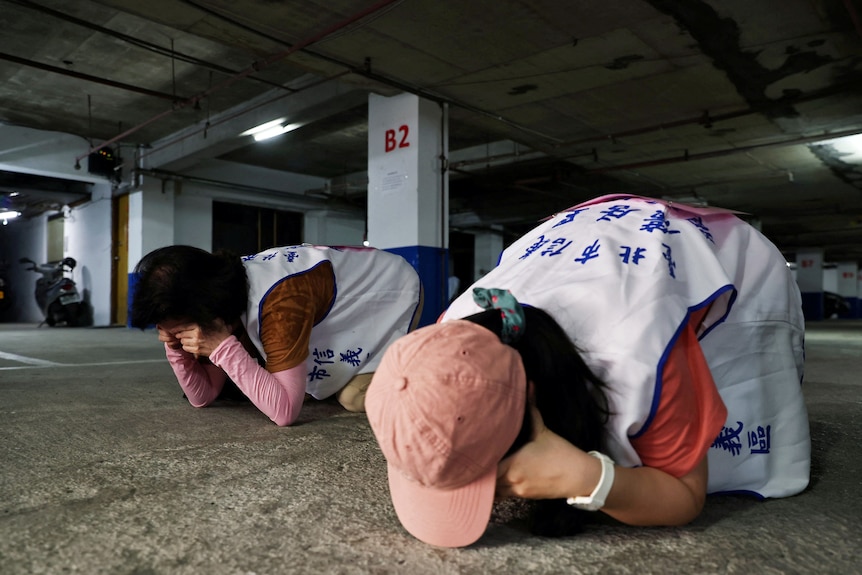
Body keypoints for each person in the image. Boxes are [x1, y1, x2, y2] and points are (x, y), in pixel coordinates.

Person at [365, 194, 809, 548]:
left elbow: (685, 496)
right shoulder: (454, 325)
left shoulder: (642, 351)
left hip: (724, 254)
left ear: (535, 404)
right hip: (577, 236)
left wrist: (591, 479)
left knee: (732, 421)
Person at [130, 243, 423, 426]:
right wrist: (176, 350)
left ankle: (431, 368)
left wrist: (223, 348)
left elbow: (284, 413)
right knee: (301, 384)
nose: (178, 336)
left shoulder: (279, 303)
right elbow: (203, 396)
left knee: (352, 397)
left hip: (388, 292)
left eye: (181, 330)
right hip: (340, 297)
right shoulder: (221, 292)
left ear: (209, 315)